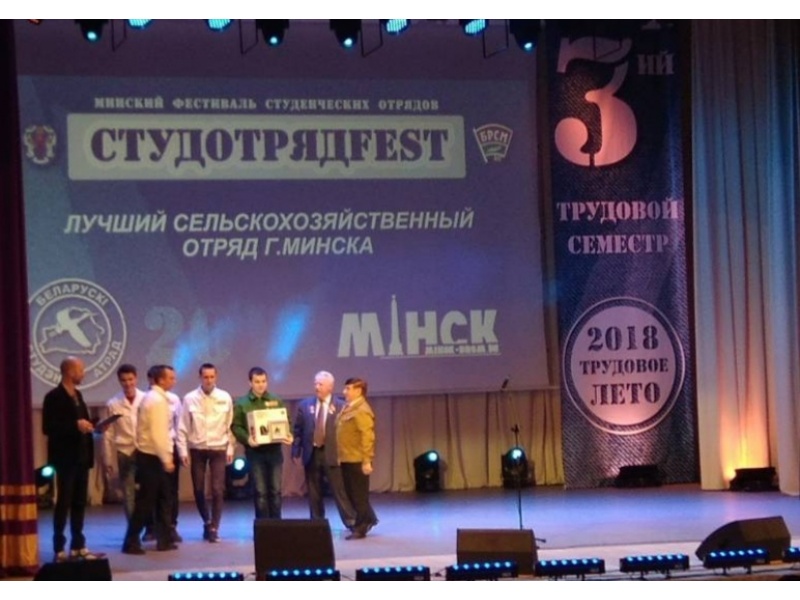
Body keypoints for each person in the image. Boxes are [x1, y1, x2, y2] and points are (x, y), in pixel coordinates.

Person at [42, 356, 98, 561]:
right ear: (70, 372)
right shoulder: (54, 397)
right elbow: (48, 427)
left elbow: (82, 423)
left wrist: (93, 426)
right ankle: (59, 547)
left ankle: (78, 544)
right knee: (64, 502)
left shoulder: (78, 395)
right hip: (65, 459)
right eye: (81, 370)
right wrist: (75, 425)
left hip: (82, 456)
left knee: (80, 502)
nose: (83, 374)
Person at [121, 365, 177, 554]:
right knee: (146, 502)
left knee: (163, 498)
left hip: (150, 456)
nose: (173, 381)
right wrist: (166, 459)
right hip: (152, 457)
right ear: (161, 380)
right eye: (170, 378)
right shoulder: (157, 401)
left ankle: (164, 539)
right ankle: (131, 541)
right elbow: (158, 433)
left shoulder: (153, 398)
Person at [292, 371, 356, 530]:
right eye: (315, 383)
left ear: (330, 387)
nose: (317, 387)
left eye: (320, 384)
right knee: (314, 491)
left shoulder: (341, 406)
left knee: (339, 490)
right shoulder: (305, 405)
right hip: (312, 453)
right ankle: (317, 522)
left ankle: (351, 521)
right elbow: (297, 430)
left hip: (332, 453)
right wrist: (295, 451)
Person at [177, 363, 234, 543]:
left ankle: (215, 527)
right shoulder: (190, 398)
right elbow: (182, 426)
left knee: (217, 489)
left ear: (216, 377)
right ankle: (207, 521)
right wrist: (182, 450)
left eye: (211, 377)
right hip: (197, 448)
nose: (209, 380)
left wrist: (230, 448)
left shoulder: (225, 397)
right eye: (205, 377)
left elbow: (230, 425)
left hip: (219, 447)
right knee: (198, 489)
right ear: (200, 377)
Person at [231, 367, 293, 519]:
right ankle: (263, 526)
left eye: (263, 381)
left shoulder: (276, 400)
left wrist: (289, 434)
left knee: (276, 491)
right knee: (260, 492)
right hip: (255, 453)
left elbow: (287, 421)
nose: (261, 385)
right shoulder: (242, 403)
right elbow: (236, 426)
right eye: (257, 382)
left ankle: (276, 525)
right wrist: (247, 439)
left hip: (274, 451)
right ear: (250, 383)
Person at [102, 363, 145, 523]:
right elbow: (108, 433)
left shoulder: (145, 399)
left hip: (145, 450)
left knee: (147, 490)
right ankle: (133, 528)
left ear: (136, 379)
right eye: (124, 380)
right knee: (128, 492)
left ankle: (149, 527)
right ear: (119, 381)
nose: (128, 383)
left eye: (130, 379)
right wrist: (107, 459)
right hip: (125, 452)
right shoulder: (113, 403)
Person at [336, 377, 378, 540]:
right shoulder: (349, 407)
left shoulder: (362, 409)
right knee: (351, 493)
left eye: (348, 389)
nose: (344, 392)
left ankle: (362, 526)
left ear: (358, 391)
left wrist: (367, 460)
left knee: (358, 494)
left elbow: (367, 436)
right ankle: (368, 519)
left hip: (357, 459)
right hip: (347, 457)